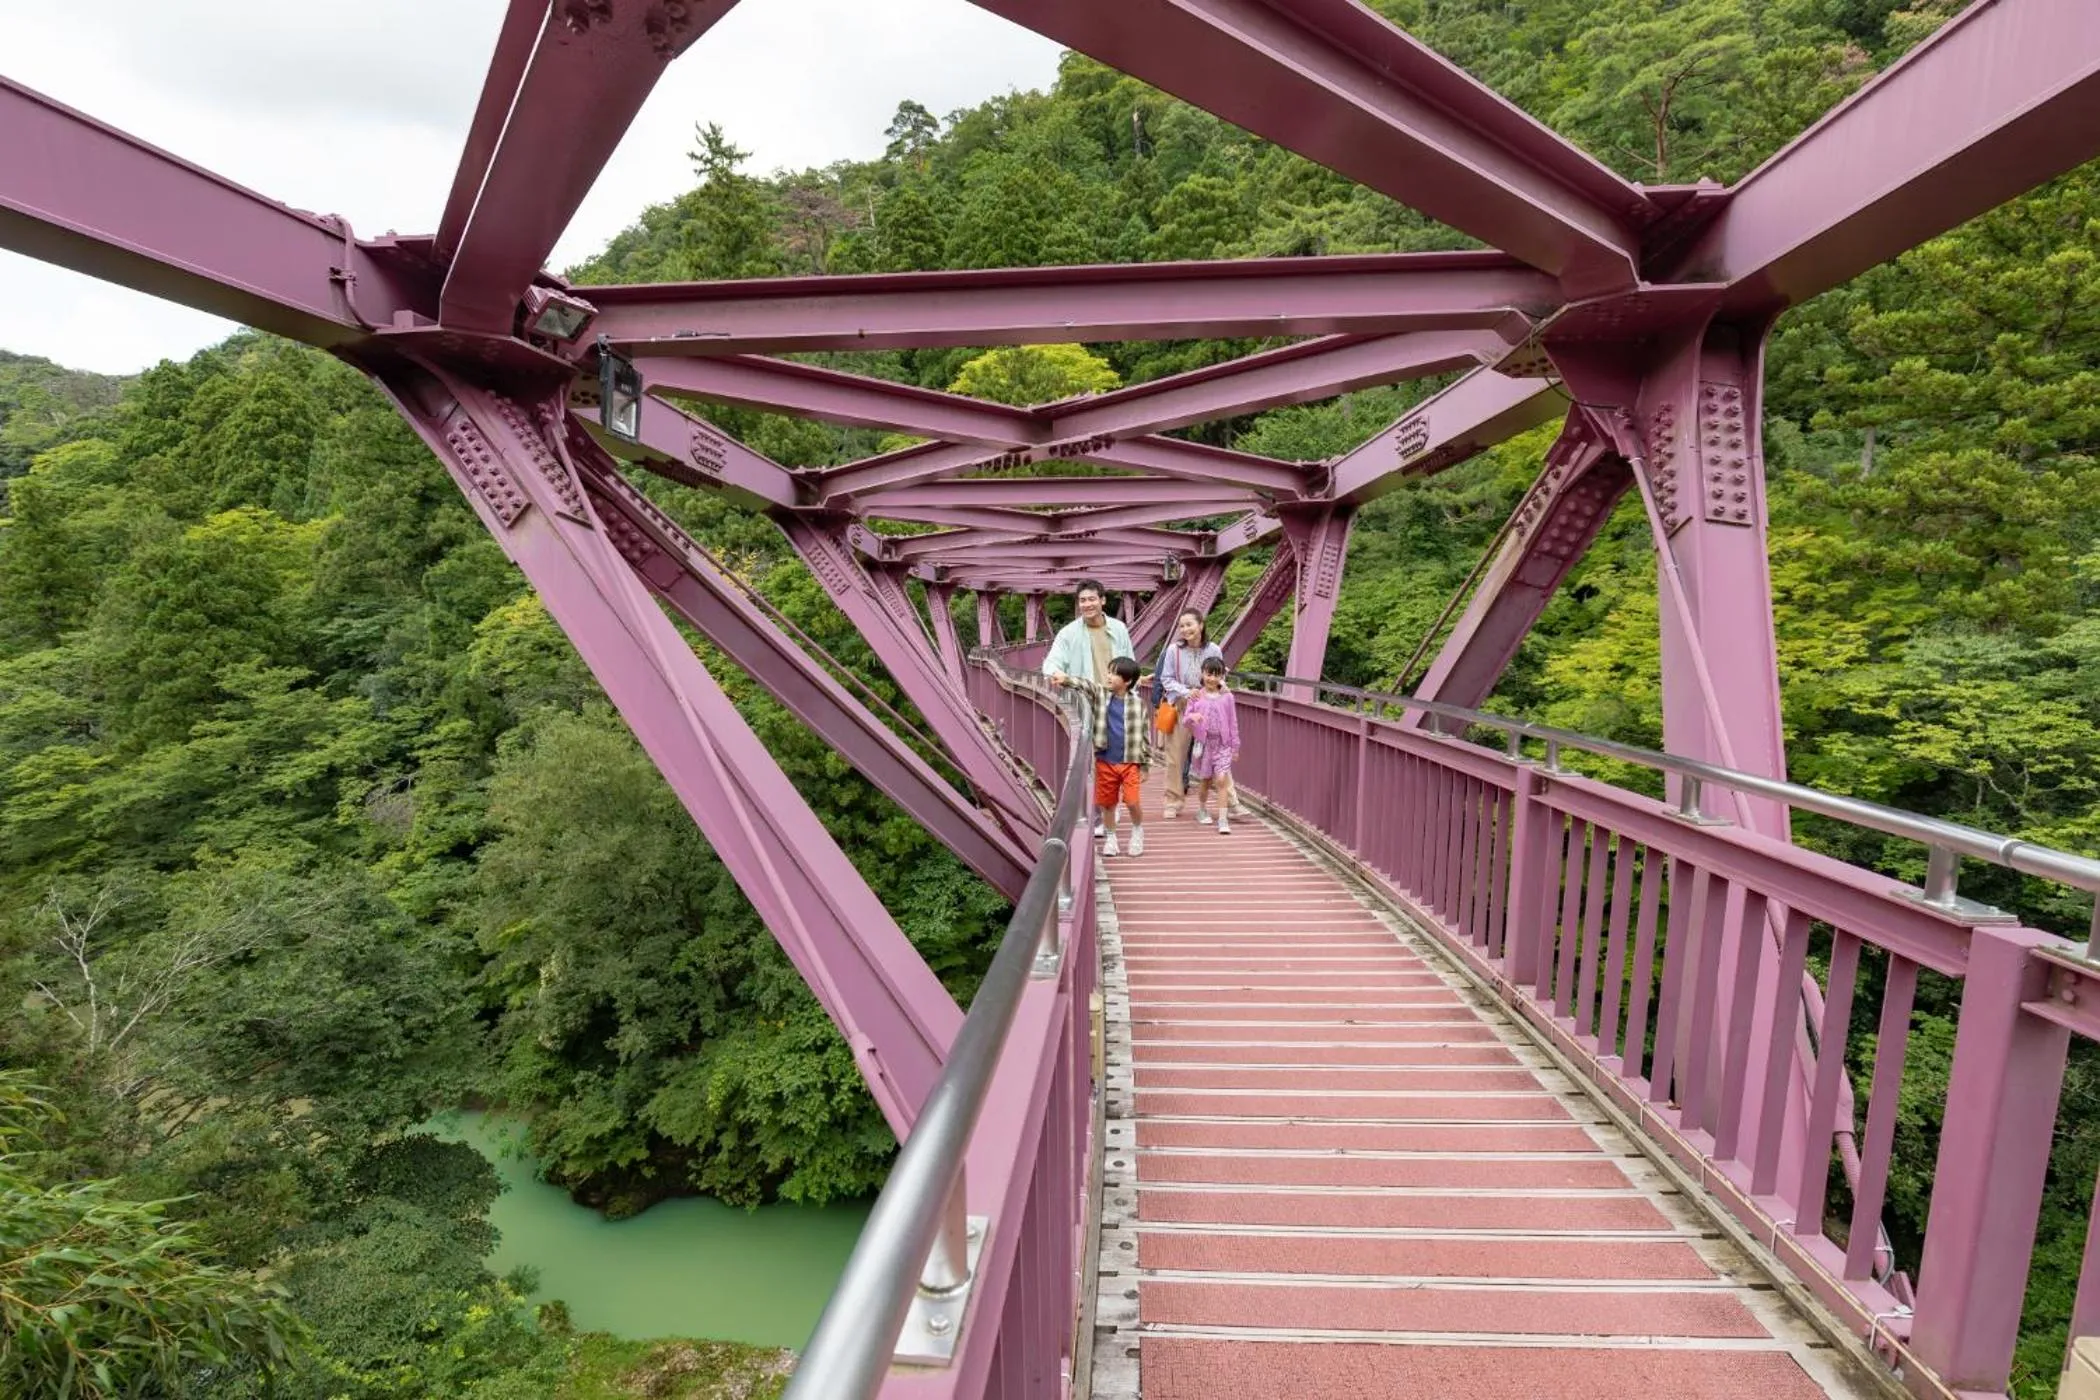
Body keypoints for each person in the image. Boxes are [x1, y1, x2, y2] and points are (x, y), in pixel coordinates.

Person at [1041, 579, 1136, 837]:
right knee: (1092, 761)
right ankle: (1097, 817)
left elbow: (1130, 662)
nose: (1087, 604)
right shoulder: (1069, 633)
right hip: (1086, 703)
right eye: (1082, 600)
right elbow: (1050, 664)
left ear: (1103, 600)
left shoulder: (1119, 628)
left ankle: (1108, 807)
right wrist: (1057, 674)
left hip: (1116, 702)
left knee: (1114, 760)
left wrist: (1133, 691)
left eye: (1092, 599)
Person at [1049, 654, 1150, 857]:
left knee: (1132, 801)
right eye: (1109, 672)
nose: (1109, 676)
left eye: (1114, 674)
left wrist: (1145, 764)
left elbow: (1145, 735)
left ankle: (1138, 830)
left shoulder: (1139, 704)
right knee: (1108, 803)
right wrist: (1065, 679)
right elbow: (1085, 685)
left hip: (1130, 761)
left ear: (1127, 681)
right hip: (1105, 759)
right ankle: (1111, 838)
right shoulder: (1102, 695)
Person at [1151, 608, 1223, 819]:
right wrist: (1185, 691)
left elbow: (1219, 676)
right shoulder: (1174, 651)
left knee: (1216, 754)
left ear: (1201, 624)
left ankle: (1230, 801)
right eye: (1182, 626)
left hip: (1206, 706)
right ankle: (1173, 801)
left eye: (1189, 624)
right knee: (1176, 757)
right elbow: (1166, 678)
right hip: (1182, 705)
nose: (1185, 629)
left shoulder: (1214, 650)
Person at [1183, 657, 1241, 834]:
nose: (1212, 679)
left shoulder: (1228, 697)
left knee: (1222, 780)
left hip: (1223, 744)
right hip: (1205, 745)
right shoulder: (1195, 696)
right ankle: (1202, 809)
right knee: (1205, 781)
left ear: (1222, 676)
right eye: (1209, 674)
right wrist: (1193, 717)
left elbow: (1233, 722)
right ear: (1202, 673)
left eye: (1216, 675)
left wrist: (1235, 746)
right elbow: (1185, 719)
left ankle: (1223, 820)